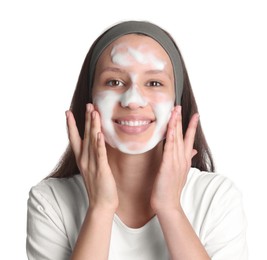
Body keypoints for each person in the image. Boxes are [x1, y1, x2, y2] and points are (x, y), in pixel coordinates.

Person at [26, 21, 247, 259]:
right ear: (89, 99)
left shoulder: (216, 198)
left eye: (154, 83)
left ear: (177, 103)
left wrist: (170, 209)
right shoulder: (50, 202)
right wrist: (100, 209)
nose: (132, 100)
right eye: (114, 82)